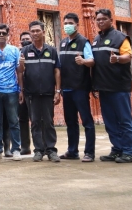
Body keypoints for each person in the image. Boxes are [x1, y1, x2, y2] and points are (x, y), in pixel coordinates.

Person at [92, 9, 132, 164]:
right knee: (110, 121)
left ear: (111, 20)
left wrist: (117, 58)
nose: (100, 22)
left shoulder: (120, 37)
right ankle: (117, 149)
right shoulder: (96, 39)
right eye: (97, 19)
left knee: (124, 120)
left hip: (119, 87)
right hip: (104, 87)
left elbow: (128, 56)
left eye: (103, 19)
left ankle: (129, 152)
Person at [20, 21, 62, 162]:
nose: (35, 33)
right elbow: (20, 72)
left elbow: (57, 71)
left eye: (38, 30)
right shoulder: (24, 51)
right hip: (31, 93)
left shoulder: (51, 51)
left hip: (48, 93)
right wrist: (21, 90)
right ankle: (38, 150)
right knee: (35, 122)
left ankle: (51, 150)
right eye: (32, 31)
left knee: (49, 122)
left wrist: (58, 91)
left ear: (44, 32)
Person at [58, 13, 95, 162]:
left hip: (80, 87)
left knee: (86, 121)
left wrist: (83, 61)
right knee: (70, 121)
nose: (67, 25)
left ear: (77, 25)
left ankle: (89, 152)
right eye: (65, 22)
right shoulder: (62, 43)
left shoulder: (83, 42)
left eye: (70, 23)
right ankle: (72, 151)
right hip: (66, 89)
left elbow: (92, 61)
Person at [0, 24, 23, 162]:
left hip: (12, 90)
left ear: (8, 35)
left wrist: (21, 89)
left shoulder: (14, 50)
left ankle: (16, 149)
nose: (1, 35)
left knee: (14, 121)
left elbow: (19, 71)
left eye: (3, 33)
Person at [18, 31, 34, 155]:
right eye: (23, 39)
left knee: (36, 119)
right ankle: (25, 146)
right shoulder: (17, 54)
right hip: (20, 91)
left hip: (34, 90)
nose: (25, 41)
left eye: (27, 39)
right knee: (22, 119)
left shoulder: (36, 52)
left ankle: (40, 145)